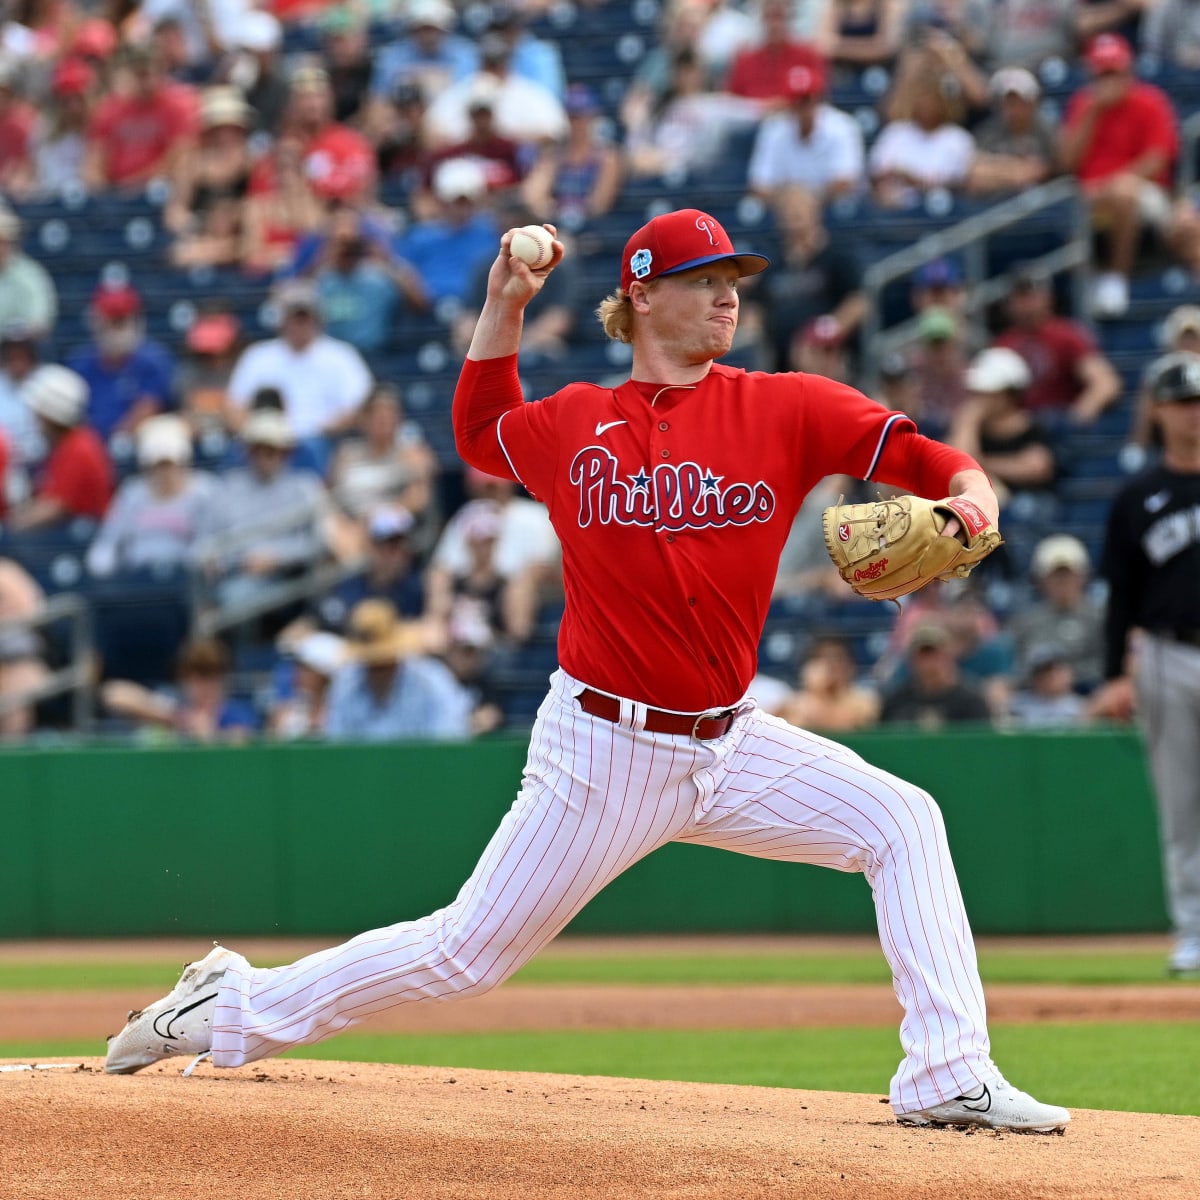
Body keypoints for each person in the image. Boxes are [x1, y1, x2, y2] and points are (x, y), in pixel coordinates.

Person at [102, 207, 1071, 1137]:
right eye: (704, 280)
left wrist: (971, 510)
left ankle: (948, 1075)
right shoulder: (575, 423)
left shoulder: (787, 405)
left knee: (903, 820)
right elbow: (481, 434)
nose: (728, 296)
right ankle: (231, 1008)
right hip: (604, 748)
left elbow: (932, 456)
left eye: (734, 278)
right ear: (642, 295)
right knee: (465, 955)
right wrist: (506, 304)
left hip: (732, 740)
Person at [1091, 353, 1200, 978]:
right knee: (1181, 802)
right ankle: (1192, 931)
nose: (1193, 415)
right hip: (1166, 653)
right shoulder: (1137, 497)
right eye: (1182, 402)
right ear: (1158, 410)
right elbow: (1121, 597)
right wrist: (1114, 672)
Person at [1059, 34, 1178, 318]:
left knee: (1123, 192)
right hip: (1091, 197)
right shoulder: (1083, 105)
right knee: (1062, 209)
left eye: (1114, 71)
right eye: (1102, 73)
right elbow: (1065, 163)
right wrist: (1092, 113)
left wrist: (1110, 186)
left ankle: (1116, 280)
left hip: (1147, 196)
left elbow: (1157, 160)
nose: (1108, 80)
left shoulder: (1150, 101)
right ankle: (1079, 292)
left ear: (1128, 71)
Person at [226, 278, 373, 475]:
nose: (300, 324)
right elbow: (233, 406)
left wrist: (323, 429)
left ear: (318, 319)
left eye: (305, 317)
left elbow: (360, 406)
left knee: (312, 449)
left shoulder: (341, 356)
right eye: (294, 317)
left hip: (318, 437)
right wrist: (251, 432)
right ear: (282, 320)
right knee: (236, 452)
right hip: (264, 438)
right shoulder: (258, 356)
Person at [85, 414, 215, 579]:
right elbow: (108, 541)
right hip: (137, 579)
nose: (164, 472)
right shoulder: (131, 494)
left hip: (185, 579)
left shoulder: (204, 491)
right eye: (157, 465)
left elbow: (208, 542)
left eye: (168, 464)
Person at [323, 598, 471, 741]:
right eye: (370, 664)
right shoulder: (345, 686)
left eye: (383, 662)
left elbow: (450, 741)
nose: (377, 670)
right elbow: (337, 747)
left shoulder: (432, 682)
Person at [992, 269, 1121, 422]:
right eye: (1019, 296)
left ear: (1048, 298)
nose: (1025, 304)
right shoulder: (1003, 343)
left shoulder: (1066, 335)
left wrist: (1075, 417)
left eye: (1030, 295)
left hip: (1058, 422)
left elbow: (1106, 384)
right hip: (1018, 425)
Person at [6, 364, 112, 531]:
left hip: (81, 539)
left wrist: (10, 528)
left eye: (38, 414)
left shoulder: (79, 446)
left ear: (50, 416)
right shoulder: (64, 444)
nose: (35, 420)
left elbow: (53, 508)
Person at [65, 281, 175, 442]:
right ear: (95, 321)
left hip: (136, 442)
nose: (115, 330)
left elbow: (149, 406)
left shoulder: (154, 361)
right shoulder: (80, 362)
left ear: (136, 321)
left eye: (121, 321)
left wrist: (115, 437)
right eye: (110, 321)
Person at [101, 637, 260, 744]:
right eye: (194, 676)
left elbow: (240, 745)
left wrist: (208, 735)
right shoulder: (174, 705)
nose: (202, 685)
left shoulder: (237, 712)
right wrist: (172, 718)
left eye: (209, 675)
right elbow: (114, 694)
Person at [745, 64, 865, 202]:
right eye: (795, 101)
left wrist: (807, 200)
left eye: (806, 100)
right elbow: (759, 184)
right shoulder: (774, 130)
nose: (801, 108)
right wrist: (791, 201)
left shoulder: (842, 126)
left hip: (830, 207)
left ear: (818, 99)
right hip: (785, 208)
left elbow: (846, 181)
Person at [1010, 535, 1104, 691]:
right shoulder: (1026, 622)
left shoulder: (1099, 619)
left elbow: (1107, 663)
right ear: (1041, 580)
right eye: (1056, 576)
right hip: (1033, 698)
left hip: (1088, 696)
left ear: (1083, 577)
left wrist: (1071, 676)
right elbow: (1017, 665)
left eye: (1069, 575)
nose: (1063, 582)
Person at [880, 622, 994, 728]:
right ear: (912, 661)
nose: (930, 663)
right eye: (924, 656)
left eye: (936, 655)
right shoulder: (897, 702)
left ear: (950, 656)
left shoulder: (971, 702)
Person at [965, 67, 1057, 198]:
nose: (1014, 110)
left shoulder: (1045, 130)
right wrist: (1015, 168)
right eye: (1008, 103)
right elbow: (975, 176)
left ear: (1033, 102)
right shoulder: (988, 132)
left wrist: (994, 167)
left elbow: (1039, 171)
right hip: (994, 205)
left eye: (1019, 102)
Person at [777, 635, 879, 731]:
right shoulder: (796, 703)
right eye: (822, 659)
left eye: (837, 658)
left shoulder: (864, 700)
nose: (831, 665)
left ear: (851, 666)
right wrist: (816, 692)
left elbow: (843, 729)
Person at [0, 200, 56, 338]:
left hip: (17, 352)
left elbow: (41, 322)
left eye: (3, 241)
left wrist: (16, 332)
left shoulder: (30, 274)